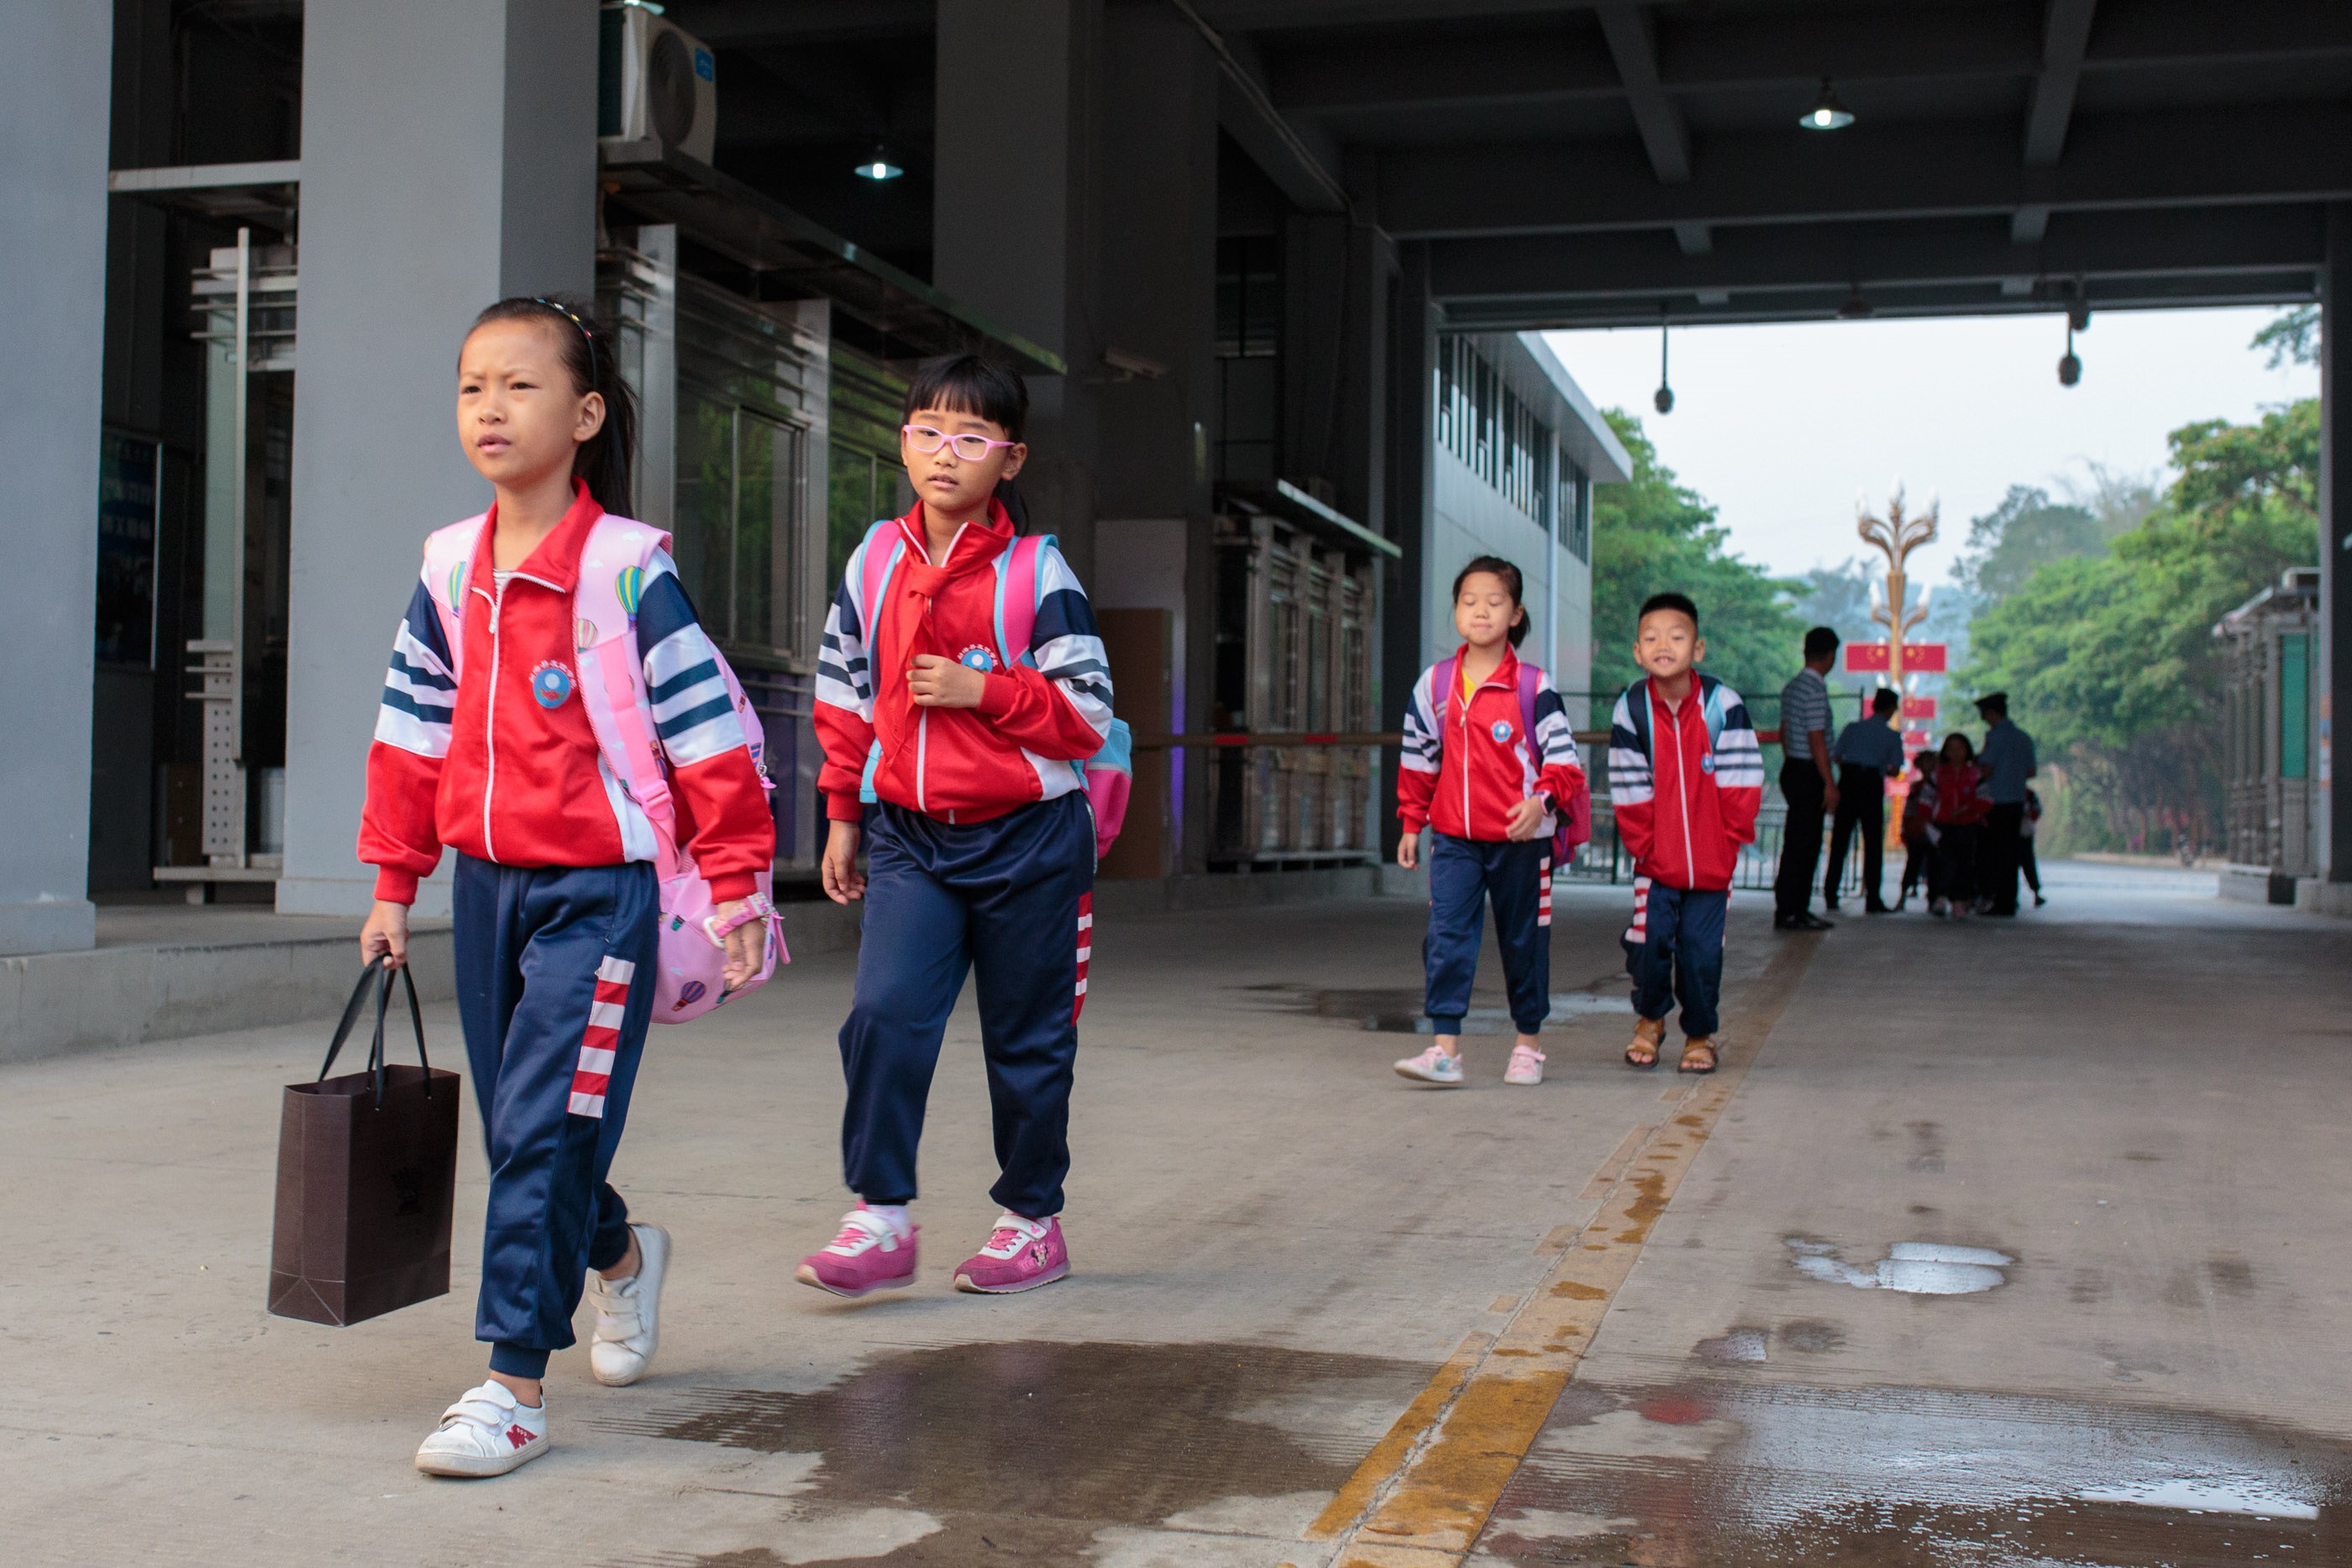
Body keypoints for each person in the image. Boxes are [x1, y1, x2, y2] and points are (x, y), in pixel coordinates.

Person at [358, 296, 775, 1477]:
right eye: (471, 386)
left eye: (520, 385)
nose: (490, 407)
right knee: (525, 1131)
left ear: (586, 413)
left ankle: (510, 1386)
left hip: (601, 898)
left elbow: (707, 738)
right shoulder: (448, 566)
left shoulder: (630, 573)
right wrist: (396, 881)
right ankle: (623, 1255)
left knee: (542, 1126)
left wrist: (739, 883)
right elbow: (409, 733)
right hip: (488, 889)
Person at [801, 354, 1111, 1301]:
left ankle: (1030, 1221)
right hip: (910, 838)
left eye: (971, 438)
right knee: (885, 1015)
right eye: (928, 431)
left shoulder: (1036, 571)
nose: (946, 453)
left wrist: (987, 691)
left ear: (1008, 459)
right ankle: (881, 1215)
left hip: (1029, 839)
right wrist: (844, 813)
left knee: (1026, 1041)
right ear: (903, 443)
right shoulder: (873, 561)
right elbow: (845, 697)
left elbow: (1088, 713)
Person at [1393, 557, 1587, 1088]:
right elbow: (1418, 759)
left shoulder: (1533, 686)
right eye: (1469, 601)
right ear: (1455, 611)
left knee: (1524, 942)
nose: (1481, 611)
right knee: (1447, 936)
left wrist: (1541, 803)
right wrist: (1413, 822)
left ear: (1516, 613)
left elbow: (1566, 763)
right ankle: (1445, 1048)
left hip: (1523, 843)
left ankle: (1528, 1045)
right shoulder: (1434, 685)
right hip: (1454, 839)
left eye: (1495, 602)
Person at [1608, 592, 1765, 1074]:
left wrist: (1727, 842)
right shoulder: (1631, 708)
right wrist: (1646, 849)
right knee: (1649, 943)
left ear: (1698, 649)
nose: (1663, 646)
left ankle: (1699, 1033)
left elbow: (1742, 777)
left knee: (1700, 954)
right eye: (1651, 637)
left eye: (1677, 637)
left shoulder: (1723, 706)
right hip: (1656, 865)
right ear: (1637, 651)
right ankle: (1650, 1019)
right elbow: (1628, 785)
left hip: (1712, 867)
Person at [1772, 627, 1840, 931]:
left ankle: (1793, 907)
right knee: (1805, 844)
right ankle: (1793, 910)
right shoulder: (1815, 689)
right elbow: (1817, 739)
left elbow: (1784, 732)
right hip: (1808, 770)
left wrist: (1793, 762)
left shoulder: (1793, 687)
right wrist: (1829, 782)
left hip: (1794, 766)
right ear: (1830, 656)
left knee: (1796, 842)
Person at [1824, 687, 1904, 914]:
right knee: (1873, 844)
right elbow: (1895, 769)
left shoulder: (1852, 728)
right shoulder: (1891, 736)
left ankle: (1831, 895)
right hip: (1871, 784)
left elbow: (1837, 756)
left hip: (1849, 782)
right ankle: (1873, 899)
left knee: (1840, 842)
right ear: (1890, 709)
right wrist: (1879, 767)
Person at [1973, 692, 2037, 915]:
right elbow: (2031, 771)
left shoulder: (1994, 738)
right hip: (2016, 801)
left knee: (1992, 853)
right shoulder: (2023, 738)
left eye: (1985, 716)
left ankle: (1996, 899)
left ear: (1991, 714)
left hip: (1995, 803)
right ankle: (2009, 900)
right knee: (2011, 853)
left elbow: (1987, 768)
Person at [1926, 732, 1991, 918]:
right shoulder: (1937, 775)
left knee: (1965, 864)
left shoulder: (1974, 775)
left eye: (1960, 748)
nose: (1955, 753)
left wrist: (1967, 810)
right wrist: (1926, 821)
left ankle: (1959, 901)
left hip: (1967, 825)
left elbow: (1986, 800)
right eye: (1951, 749)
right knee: (1944, 862)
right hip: (1943, 825)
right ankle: (1940, 897)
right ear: (1945, 752)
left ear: (1967, 751)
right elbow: (1926, 800)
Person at [1897, 751, 1938, 910]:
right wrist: (1906, 829)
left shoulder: (1939, 786)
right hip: (1917, 831)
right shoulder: (1916, 787)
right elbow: (1909, 810)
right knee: (1913, 864)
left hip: (1933, 831)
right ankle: (1903, 895)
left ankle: (1933, 899)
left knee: (1934, 866)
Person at [2021, 786, 2047, 906]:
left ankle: (2036, 892)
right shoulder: (2028, 793)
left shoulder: (2029, 794)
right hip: (2016, 833)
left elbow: (2037, 811)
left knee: (2028, 864)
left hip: (2025, 833)